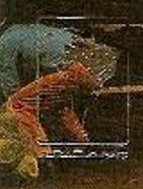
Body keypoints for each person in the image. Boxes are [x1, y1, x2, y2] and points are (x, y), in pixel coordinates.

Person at [0, 18, 119, 147]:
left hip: (78, 69)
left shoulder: (5, 40)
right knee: (57, 105)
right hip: (97, 66)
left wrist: (8, 108)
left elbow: (9, 79)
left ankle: (40, 152)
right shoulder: (22, 30)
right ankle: (82, 143)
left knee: (17, 105)